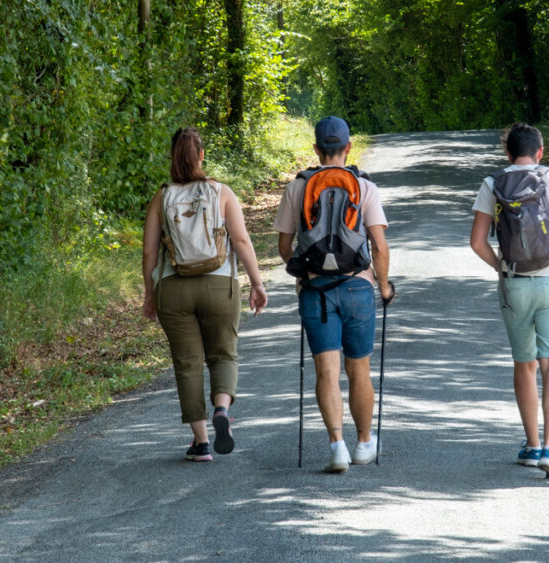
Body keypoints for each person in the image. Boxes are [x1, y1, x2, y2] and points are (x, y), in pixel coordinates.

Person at [469, 122, 549, 479]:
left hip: (515, 286)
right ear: (540, 152)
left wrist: (503, 268)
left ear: (507, 153)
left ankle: (532, 444)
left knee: (524, 364)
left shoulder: (492, 183)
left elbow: (477, 242)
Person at [274, 116, 394, 473]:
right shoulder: (363, 186)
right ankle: (363, 444)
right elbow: (381, 247)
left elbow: (283, 246)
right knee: (359, 369)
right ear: (348, 147)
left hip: (316, 291)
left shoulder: (298, 187)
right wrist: (383, 285)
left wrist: (306, 270)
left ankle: (337, 447)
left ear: (315, 149)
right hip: (358, 285)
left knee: (326, 371)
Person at [142, 127, 268, 462]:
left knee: (188, 364)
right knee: (224, 354)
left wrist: (150, 293)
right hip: (218, 286)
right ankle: (222, 410)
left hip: (174, 288)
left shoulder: (161, 197)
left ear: (172, 157)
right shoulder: (221, 192)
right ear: (200, 155)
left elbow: (149, 254)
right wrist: (256, 282)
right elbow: (240, 241)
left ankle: (200, 444)